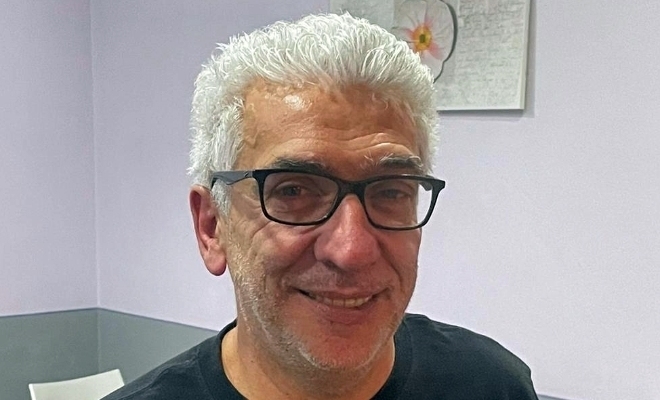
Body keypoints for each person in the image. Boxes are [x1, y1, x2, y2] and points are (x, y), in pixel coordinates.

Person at [103, 12, 538, 400]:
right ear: (212, 227)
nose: (352, 250)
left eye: (390, 192)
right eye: (293, 192)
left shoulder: (491, 385)